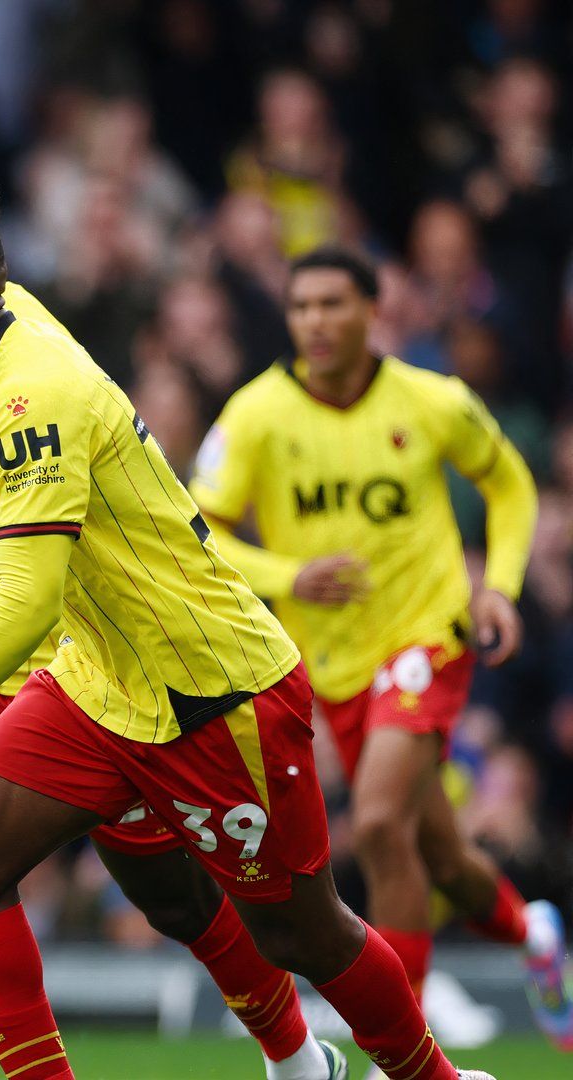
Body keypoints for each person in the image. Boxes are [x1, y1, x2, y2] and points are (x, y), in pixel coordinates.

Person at [0, 206, 494, 1080]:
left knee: (300, 928)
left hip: (214, 690)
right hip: (99, 680)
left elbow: (28, 603)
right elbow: (56, 536)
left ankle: (432, 1078)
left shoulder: (33, 395)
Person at [189, 246, 571, 1047]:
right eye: (302, 308)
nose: (317, 322)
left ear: (373, 311)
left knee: (379, 826)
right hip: (332, 664)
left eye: (334, 305)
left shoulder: (433, 400)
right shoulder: (255, 415)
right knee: (441, 852)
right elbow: (201, 530)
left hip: (427, 637)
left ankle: (404, 1044)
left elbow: (508, 480)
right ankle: (533, 931)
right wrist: (290, 575)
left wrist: (498, 584)